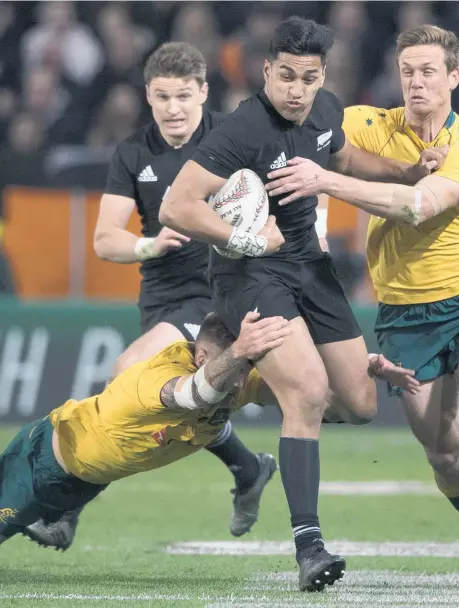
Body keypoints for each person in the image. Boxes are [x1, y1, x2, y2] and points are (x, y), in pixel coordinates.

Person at [159, 17, 431, 592]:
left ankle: (247, 382)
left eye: (308, 78)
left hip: (312, 267)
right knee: (308, 392)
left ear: (322, 77)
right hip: (250, 273)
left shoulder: (326, 109)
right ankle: (309, 546)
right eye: (286, 76)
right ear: (267, 72)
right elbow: (177, 207)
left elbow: (346, 160)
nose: (296, 90)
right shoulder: (241, 130)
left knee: (358, 404)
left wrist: (407, 172)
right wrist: (250, 240)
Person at [27, 42, 275, 552]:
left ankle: (68, 507)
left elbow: (273, 207)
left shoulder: (234, 139)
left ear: (204, 92)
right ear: (148, 96)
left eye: (184, 95)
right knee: (183, 402)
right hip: (161, 298)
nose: (174, 108)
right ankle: (248, 468)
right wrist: (150, 243)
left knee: (126, 379)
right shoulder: (134, 153)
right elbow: (105, 239)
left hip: (216, 293)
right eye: (162, 96)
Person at [0, 312, 419, 571]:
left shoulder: (237, 378)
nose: (246, 382)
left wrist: (359, 376)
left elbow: (319, 402)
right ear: (205, 358)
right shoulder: (155, 376)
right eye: (241, 365)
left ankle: (249, 470)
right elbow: (187, 396)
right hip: (41, 464)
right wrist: (237, 353)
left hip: (84, 483)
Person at [274, 26, 459, 515]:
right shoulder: (368, 125)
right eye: (407, 72)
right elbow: (298, 125)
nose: (416, 82)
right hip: (406, 312)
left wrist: (326, 181)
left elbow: (419, 204)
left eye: (428, 71)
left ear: (453, 77)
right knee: (444, 453)